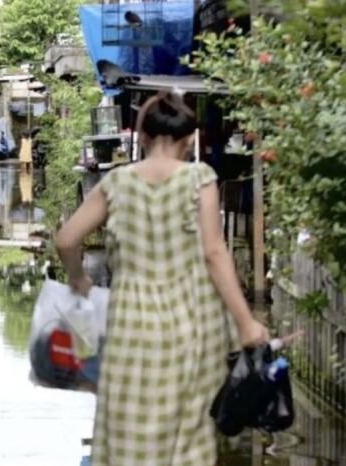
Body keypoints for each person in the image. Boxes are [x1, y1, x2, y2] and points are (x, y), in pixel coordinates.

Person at [55, 90, 269, 466]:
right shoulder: (199, 177)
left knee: (127, 431)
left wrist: (78, 281)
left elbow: (67, 239)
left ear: (144, 137)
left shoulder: (117, 183)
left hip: (129, 325)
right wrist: (246, 322)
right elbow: (215, 254)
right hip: (191, 322)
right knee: (185, 436)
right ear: (188, 140)